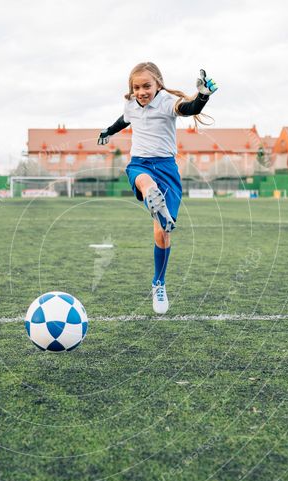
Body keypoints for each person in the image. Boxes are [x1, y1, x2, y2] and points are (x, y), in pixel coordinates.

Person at [98, 62, 217, 314]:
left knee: (163, 233)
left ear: (158, 84)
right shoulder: (131, 104)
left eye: (146, 86)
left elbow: (189, 108)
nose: (141, 91)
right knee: (143, 181)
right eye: (136, 87)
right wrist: (108, 130)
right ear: (132, 89)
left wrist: (203, 96)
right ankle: (152, 193)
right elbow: (125, 120)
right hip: (140, 163)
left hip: (166, 168)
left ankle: (159, 283)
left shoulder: (165, 101)